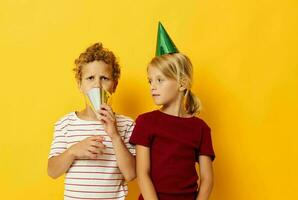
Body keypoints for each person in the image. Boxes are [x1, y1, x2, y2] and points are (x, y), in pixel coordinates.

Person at [130, 22, 215, 200]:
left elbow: (207, 179)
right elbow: (142, 173)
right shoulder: (145, 122)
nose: (153, 87)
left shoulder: (200, 128)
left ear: (182, 84)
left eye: (160, 80)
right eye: (150, 81)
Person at [48, 42, 136, 200]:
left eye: (104, 78)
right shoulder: (65, 124)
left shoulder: (126, 124)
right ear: (80, 85)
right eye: (90, 78)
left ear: (114, 85)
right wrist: (73, 151)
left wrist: (114, 135)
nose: (97, 85)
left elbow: (131, 174)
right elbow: (53, 171)